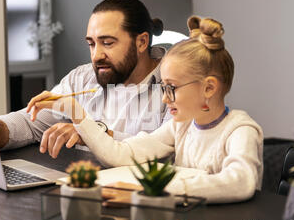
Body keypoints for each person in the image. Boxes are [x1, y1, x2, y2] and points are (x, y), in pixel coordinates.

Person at [27, 16, 264, 204]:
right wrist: (75, 112)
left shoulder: (240, 130)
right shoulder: (179, 127)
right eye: (163, 87)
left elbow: (240, 182)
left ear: (209, 88)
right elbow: (120, 154)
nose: (164, 99)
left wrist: (153, 190)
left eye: (171, 88)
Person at [0, 0, 171, 158]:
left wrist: (89, 133)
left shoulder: (175, 85)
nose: (96, 55)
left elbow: (164, 149)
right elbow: (31, 123)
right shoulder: (82, 78)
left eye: (107, 43)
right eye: (92, 44)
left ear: (141, 42)